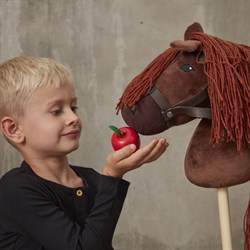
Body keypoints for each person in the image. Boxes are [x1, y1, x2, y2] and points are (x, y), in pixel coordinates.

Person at [0, 56, 168, 250]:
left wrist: (109, 179)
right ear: (14, 129)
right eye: (56, 111)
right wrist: (113, 177)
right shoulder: (14, 190)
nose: (73, 118)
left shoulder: (92, 179)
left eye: (73, 107)